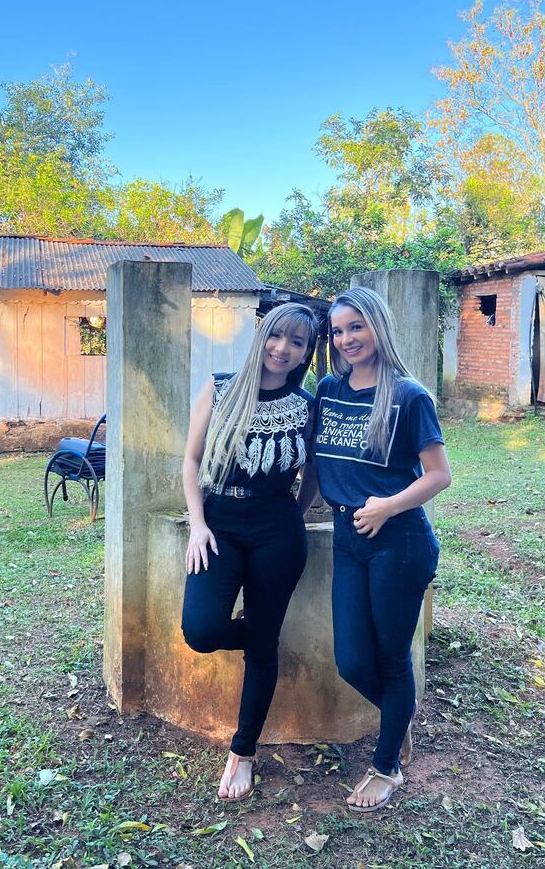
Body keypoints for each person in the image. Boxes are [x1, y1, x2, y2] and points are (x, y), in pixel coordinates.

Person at [297, 286, 451, 813]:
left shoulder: (409, 396)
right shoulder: (328, 391)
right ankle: (397, 721)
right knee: (351, 660)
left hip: (399, 542)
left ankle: (387, 765)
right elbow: (316, 468)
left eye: (356, 327)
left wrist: (387, 505)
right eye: (338, 331)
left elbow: (438, 476)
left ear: (378, 327)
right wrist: (294, 517)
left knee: (389, 656)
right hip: (347, 537)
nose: (346, 339)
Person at [181, 302, 319, 801]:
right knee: (201, 630)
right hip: (218, 523)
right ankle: (260, 635)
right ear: (262, 334)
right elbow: (192, 460)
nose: (284, 348)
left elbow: (314, 476)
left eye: (298, 342)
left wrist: (292, 517)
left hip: (276, 527)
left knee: (262, 648)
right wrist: (197, 525)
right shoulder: (220, 388)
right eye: (278, 335)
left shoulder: (306, 404)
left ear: (307, 351)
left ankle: (243, 752)